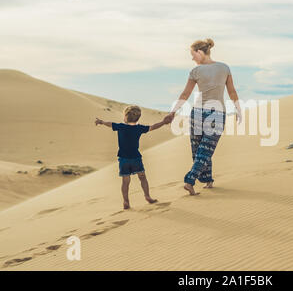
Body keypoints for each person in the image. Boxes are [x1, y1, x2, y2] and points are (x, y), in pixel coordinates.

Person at [165, 38, 242, 196]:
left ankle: (190, 180)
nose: (192, 58)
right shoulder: (224, 68)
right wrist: (238, 108)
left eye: (193, 54)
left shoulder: (196, 71)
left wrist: (174, 111)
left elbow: (185, 94)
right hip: (216, 113)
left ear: (200, 52)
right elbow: (232, 92)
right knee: (204, 150)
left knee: (200, 149)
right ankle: (206, 179)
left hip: (198, 113)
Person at [95, 105, 171, 209]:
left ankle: (126, 202)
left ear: (125, 117)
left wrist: (101, 122)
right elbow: (153, 127)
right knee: (143, 178)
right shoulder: (139, 128)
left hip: (123, 159)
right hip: (136, 158)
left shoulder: (121, 126)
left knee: (125, 181)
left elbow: (110, 124)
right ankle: (147, 196)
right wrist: (163, 122)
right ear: (138, 118)